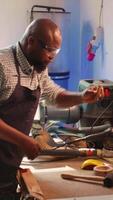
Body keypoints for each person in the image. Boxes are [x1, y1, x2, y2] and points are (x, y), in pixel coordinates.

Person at [0, 18, 104, 199]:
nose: (52, 56)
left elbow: (55, 95)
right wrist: (24, 141)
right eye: (49, 49)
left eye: (56, 50)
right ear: (31, 41)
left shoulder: (38, 67)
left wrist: (82, 97)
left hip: (9, 163)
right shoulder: (2, 65)